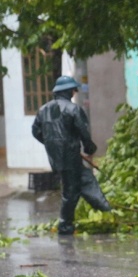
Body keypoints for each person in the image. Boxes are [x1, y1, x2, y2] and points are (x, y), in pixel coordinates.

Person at [31, 75, 111, 235]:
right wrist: (89, 148)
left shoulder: (43, 109)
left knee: (86, 180)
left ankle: (106, 209)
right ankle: (65, 226)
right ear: (68, 91)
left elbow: (36, 131)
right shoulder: (73, 109)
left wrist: (52, 144)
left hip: (56, 158)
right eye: (73, 90)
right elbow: (83, 132)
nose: (75, 93)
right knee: (71, 190)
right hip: (70, 156)